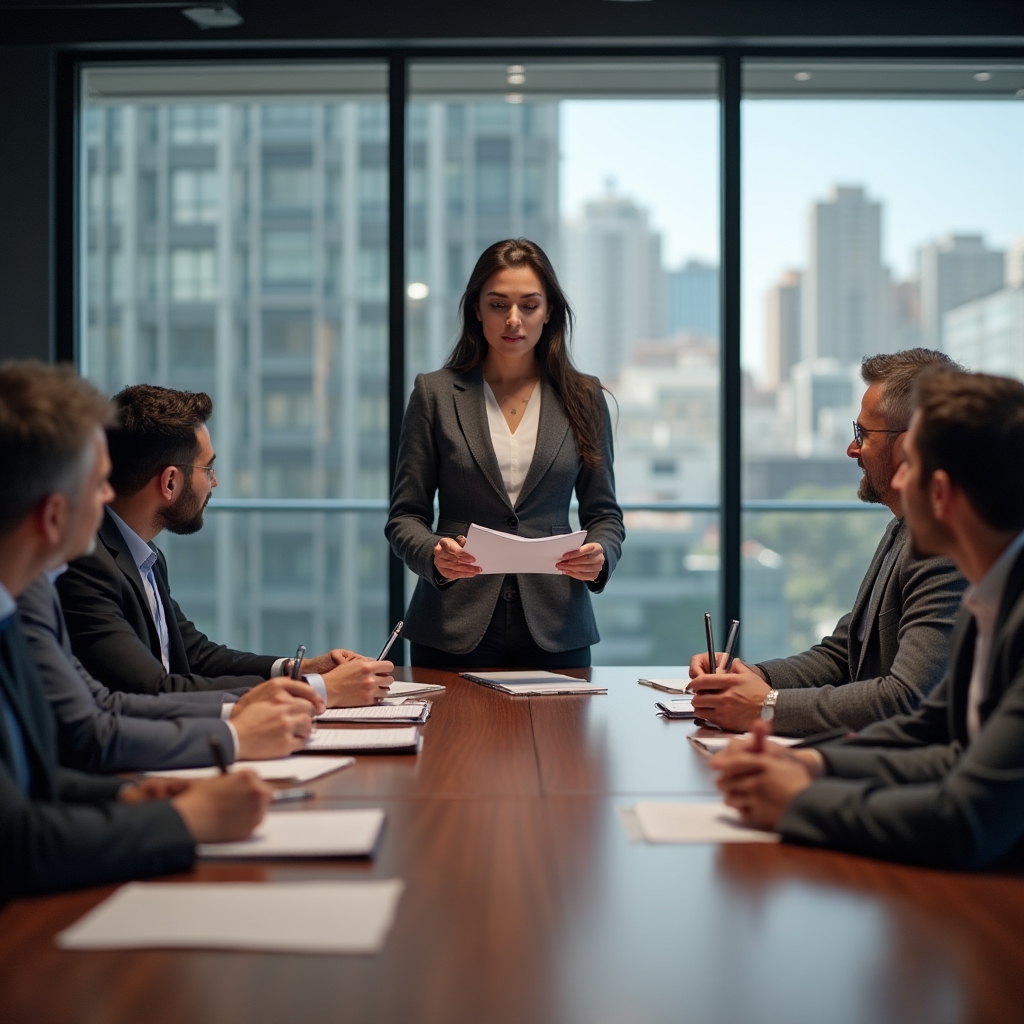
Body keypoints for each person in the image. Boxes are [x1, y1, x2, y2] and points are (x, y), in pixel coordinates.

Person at [711, 369, 1024, 870]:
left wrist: (795, 800)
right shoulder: (991, 594)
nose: (896, 480)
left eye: (910, 467)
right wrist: (807, 762)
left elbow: (967, 819)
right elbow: (936, 735)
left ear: (940, 494)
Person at [0, 361, 273, 903]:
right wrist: (185, 820)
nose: (109, 500)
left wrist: (130, 794)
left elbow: (39, 775)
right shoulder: (52, 589)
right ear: (54, 516)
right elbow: (18, 842)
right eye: (99, 484)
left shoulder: (16, 604)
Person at [57, 384, 393, 708]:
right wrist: (319, 690)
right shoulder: (87, 565)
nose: (214, 481)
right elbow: (154, 689)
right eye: (208, 468)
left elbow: (196, 655)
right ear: (170, 481)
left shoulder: (144, 555)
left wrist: (299, 669)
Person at [688, 349, 967, 735]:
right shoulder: (903, 530)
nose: (852, 449)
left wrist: (767, 707)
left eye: (863, 434)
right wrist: (751, 675)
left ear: (908, 446)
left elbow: (908, 697)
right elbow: (844, 655)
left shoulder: (944, 548)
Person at [386, 238, 625, 668]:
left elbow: (605, 514)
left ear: (549, 311)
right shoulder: (435, 394)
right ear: (476, 309)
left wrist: (601, 553)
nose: (513, 320)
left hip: (557, 623)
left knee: (561, 739)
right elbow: (404, 517)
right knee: (453, 738)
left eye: (529, 306)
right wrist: (434, 553)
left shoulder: (585, 397)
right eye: (498, 305)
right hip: (450, 625)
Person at [18, 567, 322, 773]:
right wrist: (235, 733)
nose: (108, 494)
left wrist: (292, 673)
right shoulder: (56, 585)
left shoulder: (38, 591)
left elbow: (196, 653)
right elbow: (98, 729)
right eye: (98, 484)